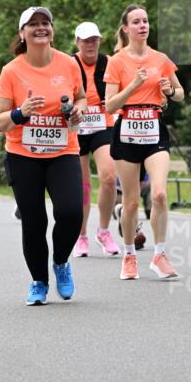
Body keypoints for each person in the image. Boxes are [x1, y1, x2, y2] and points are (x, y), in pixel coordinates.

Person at [0, 6, 86, 306]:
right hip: (23, 154)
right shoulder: (11, 71)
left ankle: (60, 261)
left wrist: (78, 112)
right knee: (34, 221)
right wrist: (20, 113)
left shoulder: (69, 64)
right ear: (22, 34)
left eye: (45, 22)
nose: (40, 27)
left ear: (53, 30)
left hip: (62, 151)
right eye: (33, 24)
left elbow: (81, 98)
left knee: (71, 212)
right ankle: (39, 282)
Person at [104, 4, 184, 280]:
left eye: (146, 21)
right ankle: (129, 256)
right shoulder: (116, 62)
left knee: (160, 194)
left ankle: (159, 255)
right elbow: (110, 104)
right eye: (136, 22)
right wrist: (133, 85)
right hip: (126, 132)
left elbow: (180, 93)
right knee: (130, 203)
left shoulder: (161, 59)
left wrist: (169, 91)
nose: (143, 26)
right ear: (126, 28)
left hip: (154, 131)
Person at [71, 21, 120, 259]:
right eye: (85, 41)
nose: (90, 45)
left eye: (94, 40)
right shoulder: (69, 63)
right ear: (77, 42)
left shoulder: (109, 62)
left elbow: (121, 89)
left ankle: (103, 231)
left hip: (103, 125)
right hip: (77, 127)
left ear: (99, 41)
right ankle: (81, 236)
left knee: (109, 177)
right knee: (82, 186)